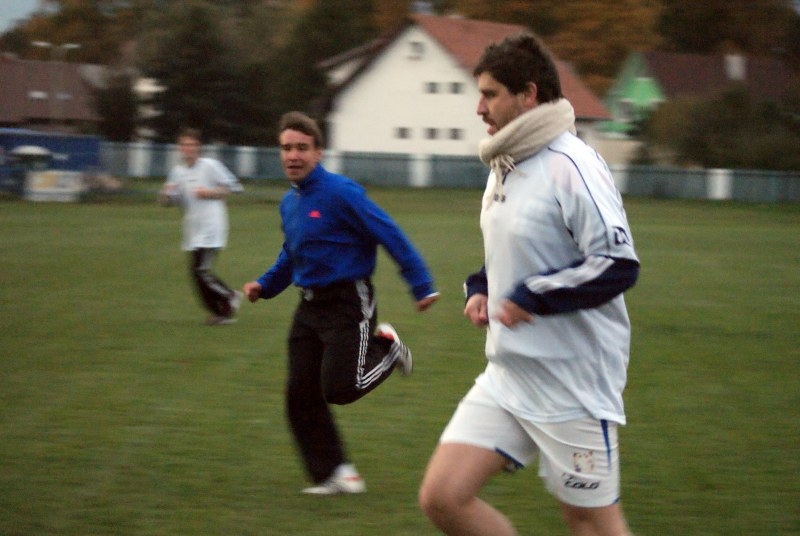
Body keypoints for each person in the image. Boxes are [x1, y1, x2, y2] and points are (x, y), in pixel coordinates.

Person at [418, 34, 640, 536]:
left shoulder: (573, 165)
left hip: (573, 384)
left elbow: (618, 264)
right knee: (443, 497)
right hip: (510, 376)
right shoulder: (506, 162)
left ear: (529, 95)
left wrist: (533, 296)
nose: (479, 108)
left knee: (589, 524)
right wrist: (481, 286)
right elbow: (514, 248)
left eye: (490, 94)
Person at [242, 111, 439, 495]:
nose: (293, 156)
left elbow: (388, 232)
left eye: (302, 148)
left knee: (340, 388)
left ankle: (388, 349)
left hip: (349, 301)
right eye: (286, 148)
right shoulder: (290, 203)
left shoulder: (341, 193)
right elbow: (292, 254)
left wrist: (421, 284)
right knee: (300, 395)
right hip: (309, 307)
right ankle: (335, 473)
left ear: (318, 152)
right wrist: (264, 286)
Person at [160, 128, 244, 326]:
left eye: (192, 145)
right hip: (193, 230)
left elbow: (235, 187)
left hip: (212, 227)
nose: (188, 149)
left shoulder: (210, 166)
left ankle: (230, 296)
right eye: (185, 145)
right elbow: (169, 201)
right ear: (180, 148)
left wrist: (210, 192)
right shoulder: (178, 172)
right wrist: (166, 195)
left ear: (198, 147)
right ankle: (221, 311)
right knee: (197, 274)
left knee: (201, 271)